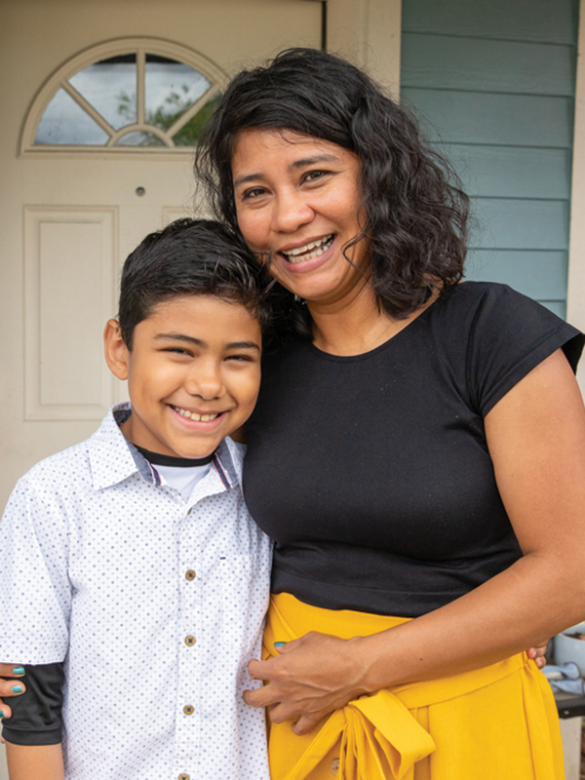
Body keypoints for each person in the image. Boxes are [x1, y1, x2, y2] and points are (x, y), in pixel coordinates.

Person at [191, 48, 585, 779]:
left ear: (377, 174)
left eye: (313, 175)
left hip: (463, 722)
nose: (287, 216)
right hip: (293, 726)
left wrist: (359, 666)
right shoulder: (258, 362)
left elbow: (570, 571)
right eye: (254, 193)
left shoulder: (493, 334)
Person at [0, 219, 273, 780]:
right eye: (179, 350)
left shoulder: (270, 490)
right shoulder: (52, 497)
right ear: (119, 349)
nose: (207, 383)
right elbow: (29, 700)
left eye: (238, 357)